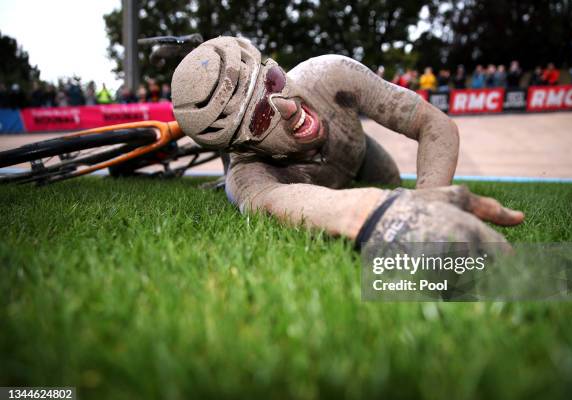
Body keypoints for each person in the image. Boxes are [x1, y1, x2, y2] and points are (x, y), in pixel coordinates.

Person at [170, 37, 524, 248]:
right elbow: (284, 202)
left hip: (360, 152)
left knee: (391, 181)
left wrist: (430, 196)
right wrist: (387, 213)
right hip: (318, 181)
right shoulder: (248, 174)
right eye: (263, 118)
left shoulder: (332, 73)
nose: (291, 109)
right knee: (387, 192)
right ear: (245, 148)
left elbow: (433, 124)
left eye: (275, 81)